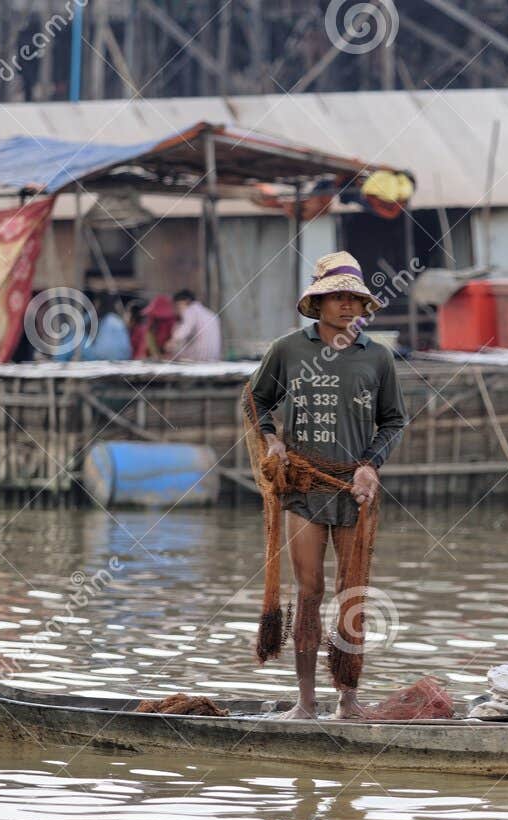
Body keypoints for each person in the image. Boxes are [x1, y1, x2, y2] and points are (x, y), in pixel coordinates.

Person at [244, 251, 407, 720]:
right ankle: (306, 701)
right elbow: (256, 400)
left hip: (353, 490)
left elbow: (393, 421)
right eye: (336, 296)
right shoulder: (289, 349)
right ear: (317, 303)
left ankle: (349, 700)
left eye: (354, 298)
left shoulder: (376, 357)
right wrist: (272, 441)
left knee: (351, 592)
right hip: (302, 486)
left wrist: (370, 466)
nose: (346, 306)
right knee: (309, 589)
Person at [167, 288, 222, 362]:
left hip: (198, 358)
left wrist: (171, 342)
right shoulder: (211, 314)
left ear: (186, 301)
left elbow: (184, 330)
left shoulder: (190, 310)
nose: (177, 311)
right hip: (214, 358)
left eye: (178, 306)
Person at [79, 294, 133, 361]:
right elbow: (126, 350)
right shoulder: (116, 322)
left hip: (94, 361)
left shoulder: (90, 318)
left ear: (97, 303)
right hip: (116, 362)